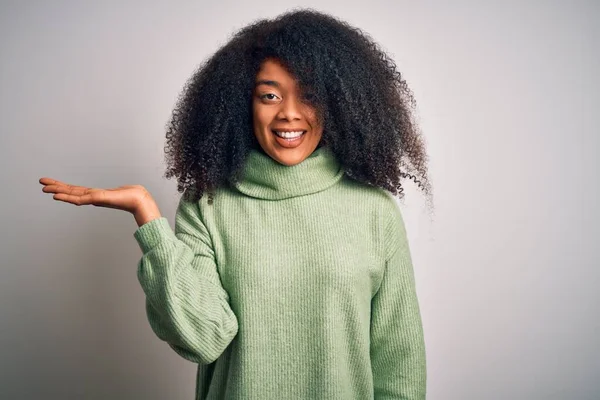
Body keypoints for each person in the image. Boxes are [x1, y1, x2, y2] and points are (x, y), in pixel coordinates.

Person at [39, 8, 432, 400]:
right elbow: (203, 338)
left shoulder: (374, 211)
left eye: (309, 95)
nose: (289, 113)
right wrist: (149, 220)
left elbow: (399, 369)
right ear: (242, 104)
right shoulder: (208, 205)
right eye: (270, 95)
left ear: (338, 103)